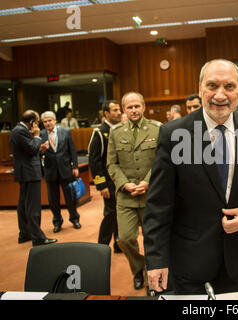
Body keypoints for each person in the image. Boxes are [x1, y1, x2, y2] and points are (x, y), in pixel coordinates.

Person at [143, 59, 238, 295]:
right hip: (187, 259)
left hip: (236, 259)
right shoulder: (174, 133)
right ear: (200, 89)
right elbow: (158, 204)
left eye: (229, 87)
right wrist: (156, 259)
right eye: (212, 86)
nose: (220, 95)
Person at [107, 92, 161, 293]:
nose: (134, 110)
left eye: (137, 106)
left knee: (152, 239)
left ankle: (153, 274)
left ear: (144, 107)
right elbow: (111, 163)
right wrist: (124, 184)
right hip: (126, 196)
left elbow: (161, 161)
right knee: (125, 239)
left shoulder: (157, 129)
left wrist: (147, 181)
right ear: (123, 110)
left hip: (151, 195)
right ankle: (139, 268)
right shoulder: (116, 132)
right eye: (129, 107)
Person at [9, 110, 57, 246]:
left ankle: (25, 233)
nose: (37, 126)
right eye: (36, 122)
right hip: (29, 173)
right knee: (33, 207)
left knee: (24, 205)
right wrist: (36, 137)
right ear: (31, 121)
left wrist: (39, 149)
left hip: (26, 172)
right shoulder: (20, 131)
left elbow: (29, 150)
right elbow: (31, 148)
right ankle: (38, 238)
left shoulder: (18, 130)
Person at [88, 100, 122, 254]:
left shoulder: (120, 129)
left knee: (119, 213)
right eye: (115, 110)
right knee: (110, 214)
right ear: (106, 114)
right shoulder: (100, 133)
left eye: (119, 109)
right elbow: (94, 162)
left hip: (120, 180)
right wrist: (101, 185)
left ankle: (118, 244)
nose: (119, 112)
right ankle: (101, 247)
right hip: (108, 182)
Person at [40, 111, 81, 233]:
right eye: (45, 122)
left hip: (66, 169)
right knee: (53, 200)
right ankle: (57, 221)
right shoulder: (41, 135)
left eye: (49, 121)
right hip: (50, 171)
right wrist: (41, 150)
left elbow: (72, 150)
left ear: (55, 120)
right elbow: (37, 153)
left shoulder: (66, 132)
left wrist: (75, 167)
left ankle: (74, 219)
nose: (47, 123)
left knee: (70, 197)